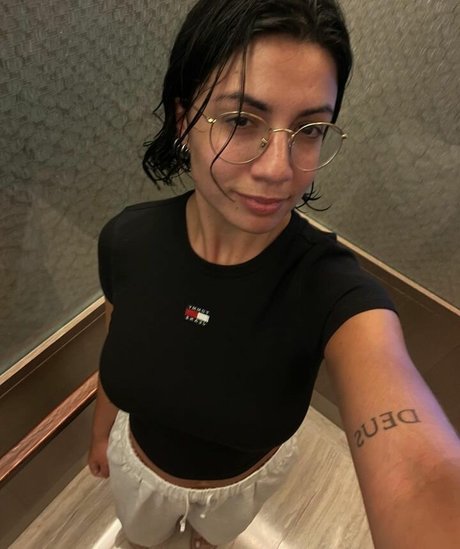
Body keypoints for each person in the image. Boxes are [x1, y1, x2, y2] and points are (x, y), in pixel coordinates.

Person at [88, 1, 460, 548]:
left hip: (239, 489)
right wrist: (101, 434)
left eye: (309, 129)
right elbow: (114, 347)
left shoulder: (332, 291)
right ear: (183, 119)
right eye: (241, 120)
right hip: (137, 467)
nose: (279, 168)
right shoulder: (126, 241)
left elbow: (422, 477)